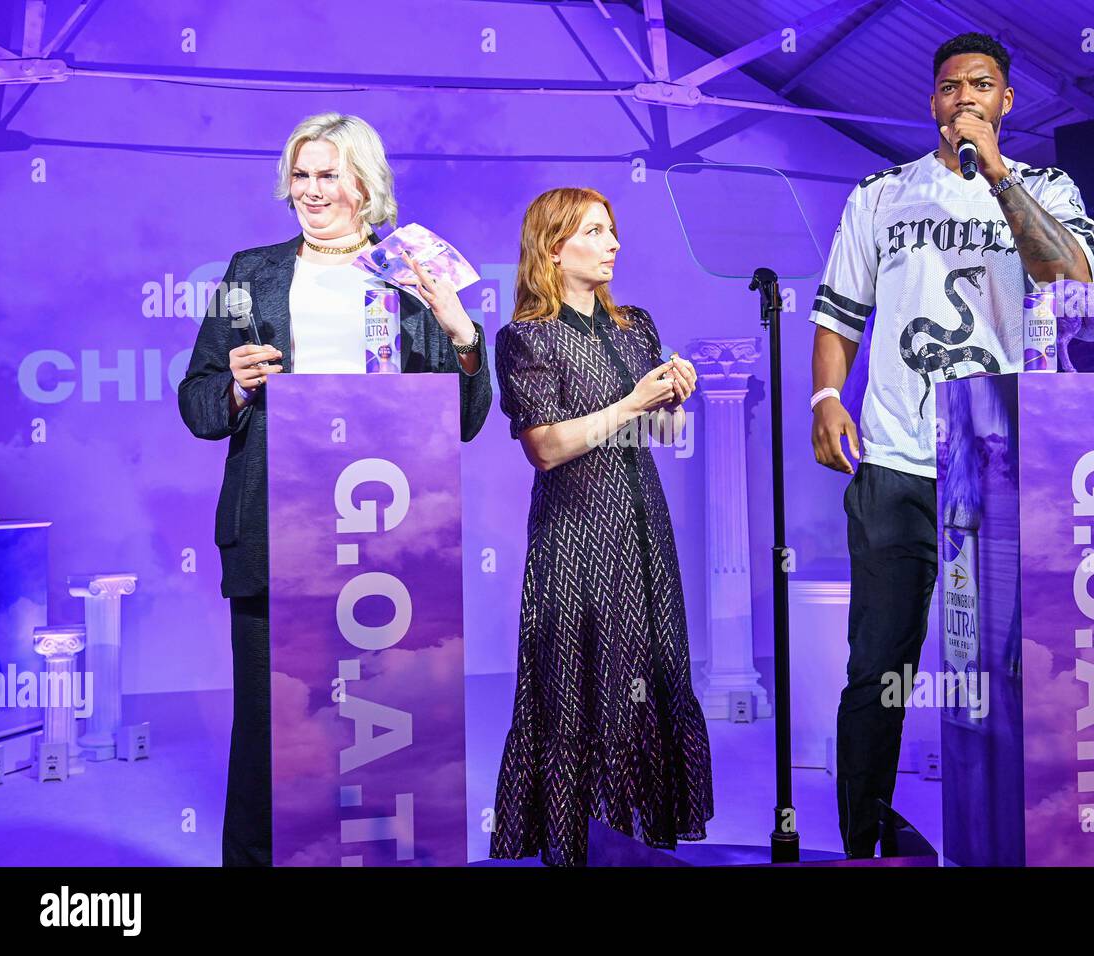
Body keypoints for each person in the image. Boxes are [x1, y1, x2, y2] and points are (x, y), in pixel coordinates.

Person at [807, 33, 1094, 858]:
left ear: (1007, 102)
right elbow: (838, 313)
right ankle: (863, 840)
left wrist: (997, 171)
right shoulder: (881, 193)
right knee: (878, 668)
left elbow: (1071, 278)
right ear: (931, 103)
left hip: (1005, 464)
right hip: (897, 461)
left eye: (981, 85)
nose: (963, 96)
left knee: (1015, 665)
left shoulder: (1045, 186)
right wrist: (829, 396)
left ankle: (1013, 833)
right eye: (947, 86)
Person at [178, 112, 492, 866]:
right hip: (273, 530)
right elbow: (196, 403)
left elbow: (466, 422)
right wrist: (238, 387)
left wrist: (461, 333)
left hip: (387, 541)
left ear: (365, 184)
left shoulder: (411, 273)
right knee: (270, 731)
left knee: (386, 729)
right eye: (301, 174)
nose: (311, 190)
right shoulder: (249, 273)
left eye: (328, 175)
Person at [489, 187, 714, 866]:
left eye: (612, 230)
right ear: (554, 246)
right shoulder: (526, 337)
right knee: (576, 680)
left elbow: (662, 431)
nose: (613, 243)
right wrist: (633, 400)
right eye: (595, 231)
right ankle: (573, 846)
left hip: (641, 526)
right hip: (574, 533)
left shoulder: (633, 324)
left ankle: (634, 844)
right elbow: (547, 447)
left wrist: (676, 397)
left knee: (647, 674)